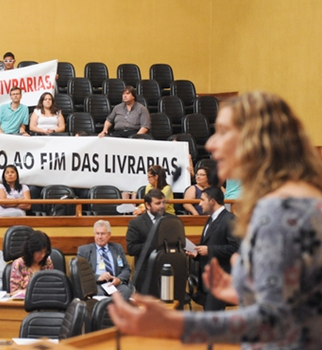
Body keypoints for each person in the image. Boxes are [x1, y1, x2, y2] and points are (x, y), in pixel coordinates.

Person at [109, 92, 322, 349]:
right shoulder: (305, 197)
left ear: (255, 139)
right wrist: (240, 290)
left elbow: (269, 324)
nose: (210, 143)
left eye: (222, 131)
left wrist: (172, 324)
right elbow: (299, 301)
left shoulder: (278, 209)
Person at [186, 186, 239, 311]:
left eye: (202, 200)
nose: (199, 204)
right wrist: (198, 253)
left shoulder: (230, 220)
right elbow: (210, 243)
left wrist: (209, 250)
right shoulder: (211, 219)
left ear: (212, 201)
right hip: (206, 280)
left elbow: (235, 248)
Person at [77, 220, 132, 299]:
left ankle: (118, 311)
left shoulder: (117, 248)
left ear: (109, 235)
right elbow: (81, 273)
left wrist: (119, 279)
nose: (100, 237)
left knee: (126, 292)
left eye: (103, 234)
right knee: (98, 295)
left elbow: (126, 268)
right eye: (97, 233)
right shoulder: (84, 251)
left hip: (114, 284)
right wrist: (98, 277)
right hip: (96, 284)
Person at [125, 189, 167, 292]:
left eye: (163, 202)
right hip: (146, 274)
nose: (162, 206)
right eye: (158, 203)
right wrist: (154, 244)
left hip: (167, 272)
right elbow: (131, 249)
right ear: (148, 205)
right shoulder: (136, 223)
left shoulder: (171, 220)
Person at [10, 230, 54, 295]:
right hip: (25, 303)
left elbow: (52, 286)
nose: (42, 255)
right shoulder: (18, 264)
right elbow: (13, 292)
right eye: (39, 252)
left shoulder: (48, 262)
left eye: (44, 252)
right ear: (31, 250)